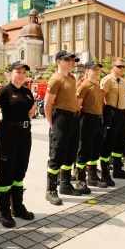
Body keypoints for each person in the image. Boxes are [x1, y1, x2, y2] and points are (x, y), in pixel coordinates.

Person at [0, 61, 35, 227]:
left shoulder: (27, 92)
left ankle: (18, 207)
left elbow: (31, 111)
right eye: (18, 72)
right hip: (7, 137)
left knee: (20, 171)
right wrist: (3, 125)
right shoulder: (4, 91)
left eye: (24, 72)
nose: (21, 75)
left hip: (24, 135)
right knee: (6, 173)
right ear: (10, 73)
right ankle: (4, 211)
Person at [45, 50, 81, 205]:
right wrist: (52, 124)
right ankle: (51, 189)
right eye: (67, 59)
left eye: (72, 60)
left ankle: (65, 184)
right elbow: (47, 104)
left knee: (71, 153)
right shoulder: (55, 79)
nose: (71, 62)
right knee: (57, 154)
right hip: (61, 118)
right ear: (58, 61)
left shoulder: (71, 79)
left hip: (73, 118)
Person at [99, 57, 125, 182]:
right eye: (119, 66)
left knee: (120, 142)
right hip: (111, 112)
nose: (122, 69)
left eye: (124, 66)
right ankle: (105, 173)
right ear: (113, 67)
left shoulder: (123, 81)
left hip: (122, 113)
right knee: (107, 143)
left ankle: (117, 170)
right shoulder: (107, 80)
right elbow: (101, 98)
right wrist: (103, 115)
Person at [75, 61, 104, 194]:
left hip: (98, 119)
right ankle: (80, 179)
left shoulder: (97, 84)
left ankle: (92, 176)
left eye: (98, 69)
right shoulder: (84, 85)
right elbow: (77, 106)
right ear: (86, 71)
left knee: (95, 149)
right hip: (87, 119)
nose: (97, 71)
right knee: (84, 149)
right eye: (94, 69)